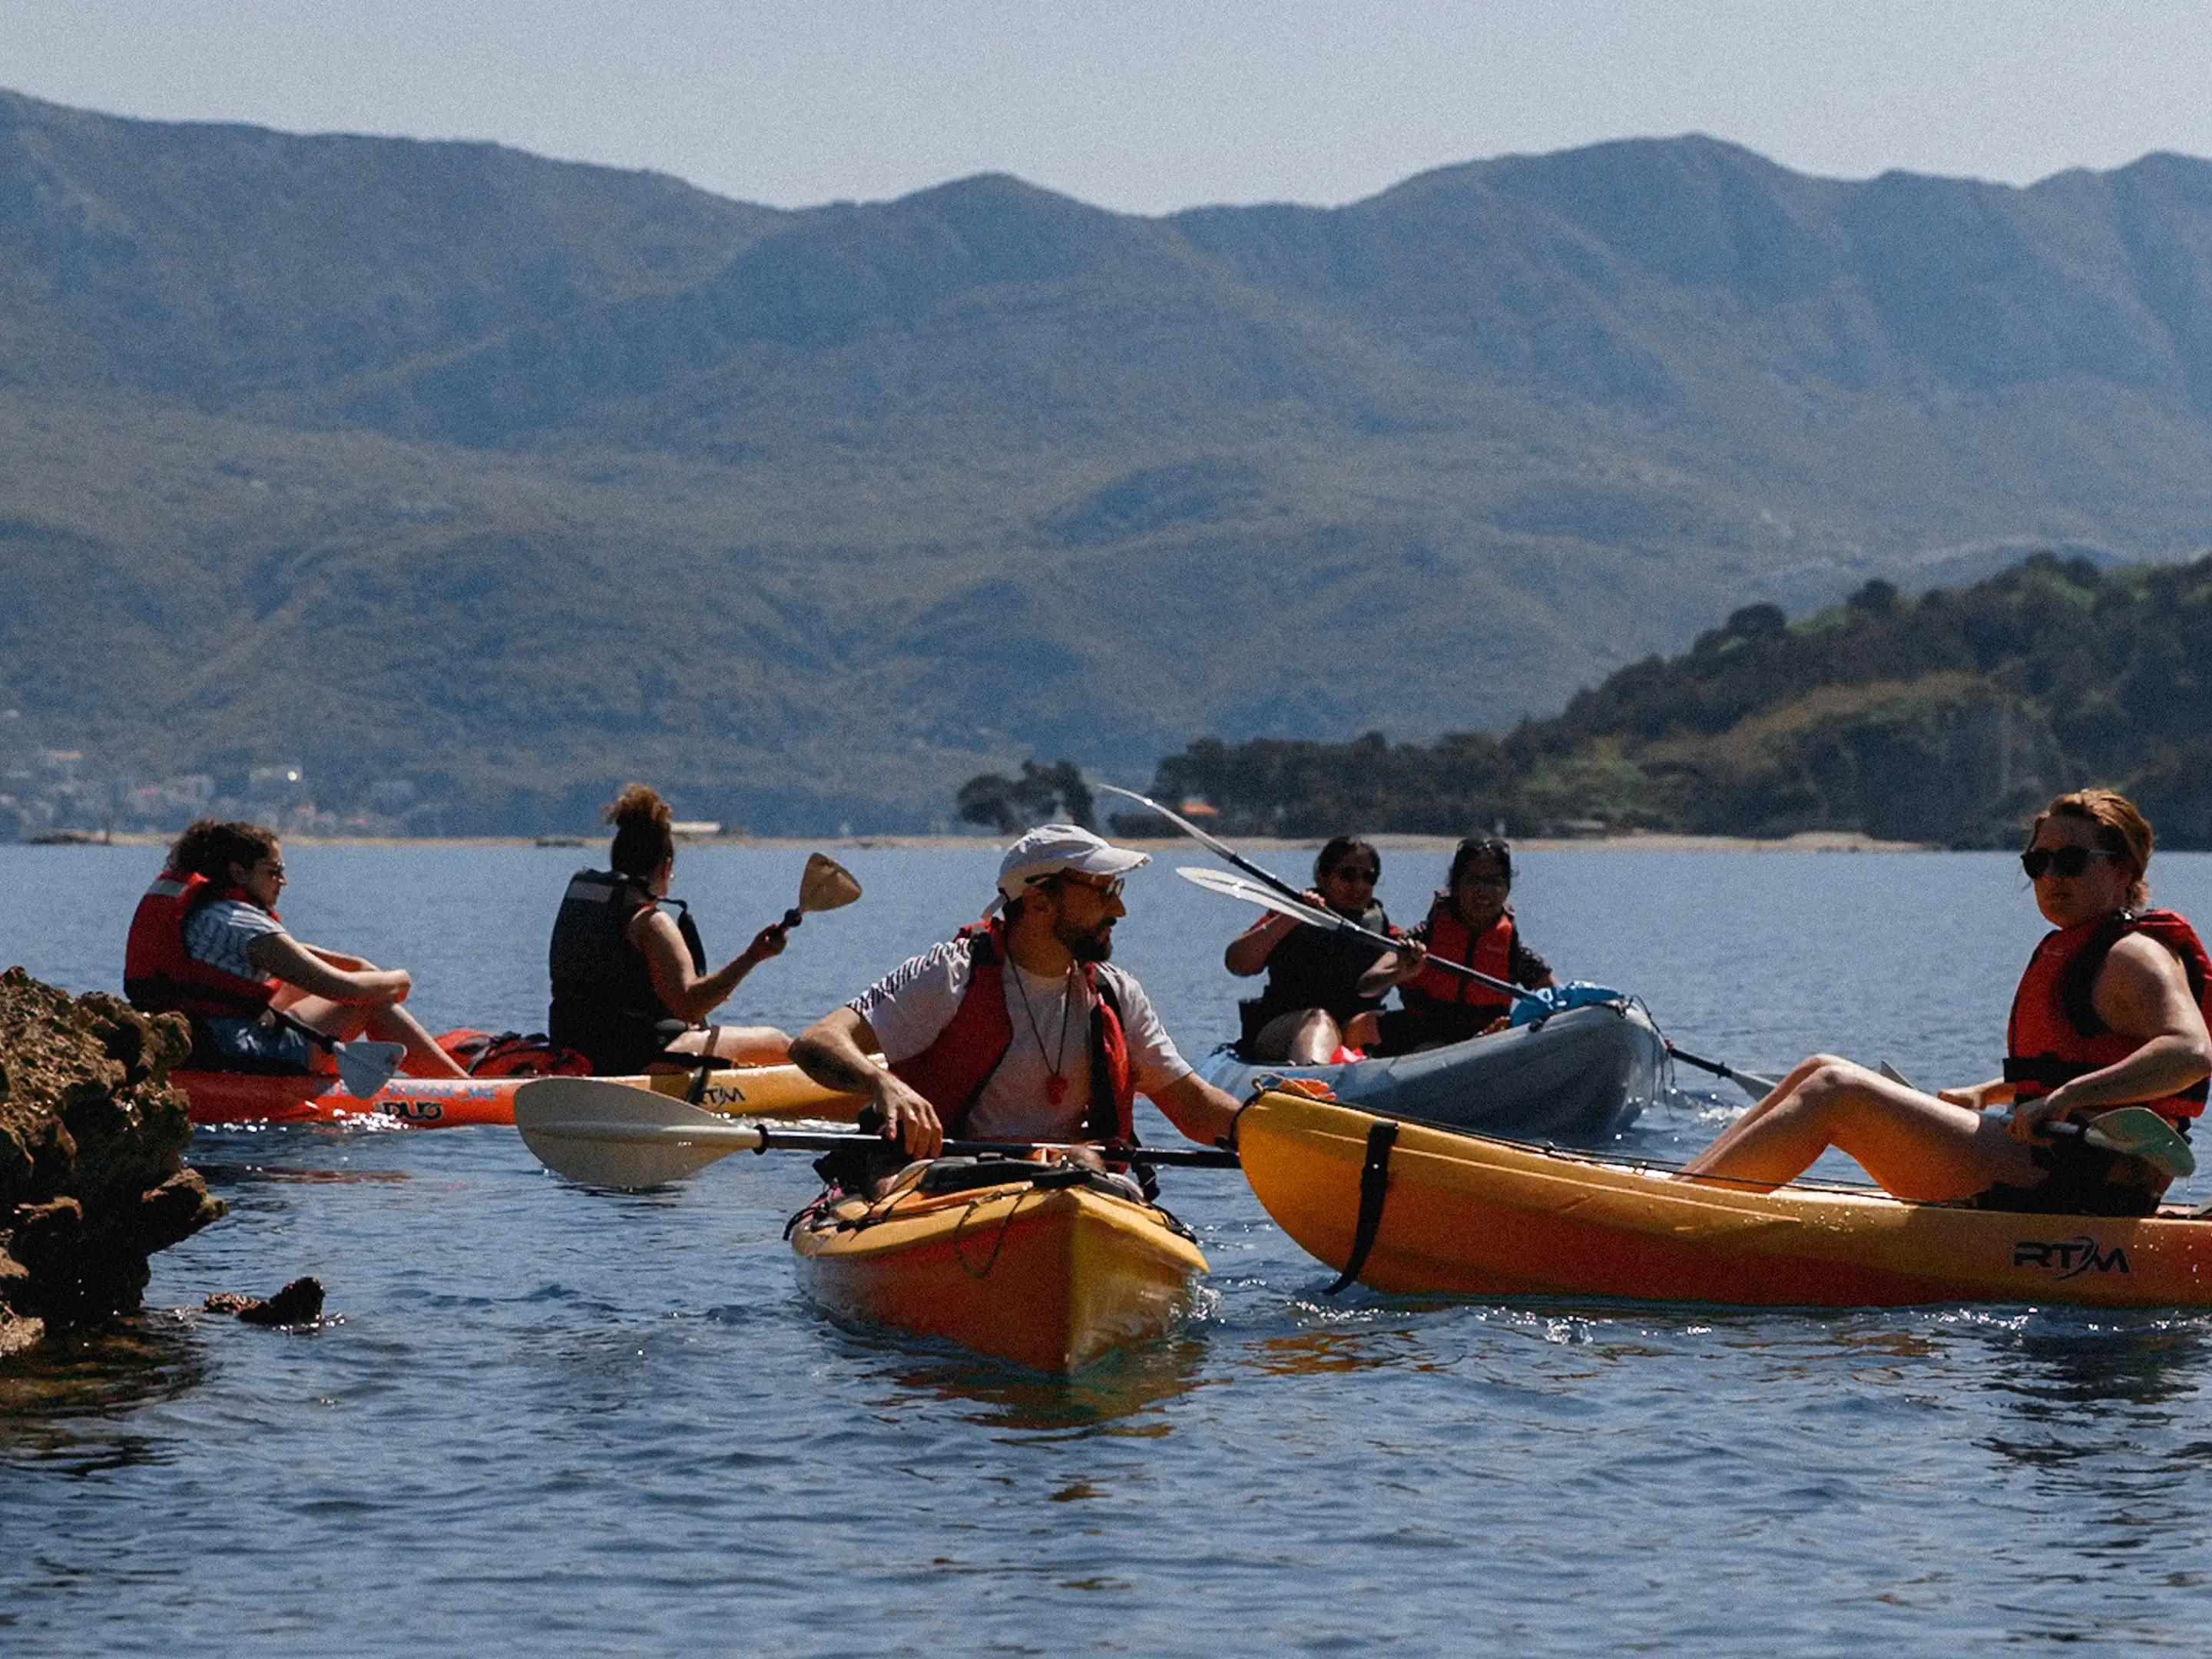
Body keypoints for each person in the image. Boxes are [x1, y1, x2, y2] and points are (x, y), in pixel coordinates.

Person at [1682, 789, 2212, 1214]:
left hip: (2076, 1185)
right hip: (2047, 1161)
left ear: (2123, 872)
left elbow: (2190, 1052)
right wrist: (1989, 1092)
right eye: (2038, 862)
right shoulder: (2083, 948)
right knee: (1817, 1068)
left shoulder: (2134, 956)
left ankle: (1680, 1218)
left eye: (2071, 861)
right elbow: (2077, 1062)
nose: (2051, 878)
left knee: (1835, 1089)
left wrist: (2064, 1098)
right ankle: (1681, 1194)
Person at [788, 824, 1243, 1177]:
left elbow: (1194, 1106)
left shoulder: (1117, 994)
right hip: (950, 1179)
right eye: (1104, 891)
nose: (1119, 909)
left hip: (1075, 1186)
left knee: (1085, 1166)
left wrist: (1261, 1120)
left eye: (1117, 891)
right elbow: (816, 1043)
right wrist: (881, 1083)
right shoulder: (950, 974)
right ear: (1041, 902)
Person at [124, 818, 469, 1077]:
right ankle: (462, 1089)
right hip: (237, 1051)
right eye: (274, 871)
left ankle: (435, 1072)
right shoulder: (243, 922)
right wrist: (399, 980)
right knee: (371, 1002)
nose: (283, 881)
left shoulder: (207, 913)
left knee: (308, 986)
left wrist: (361, 967)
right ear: (239, 873)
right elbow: (342, 987)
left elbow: (298, 960)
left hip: (209, 1038)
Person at [547, 785, 793, 1076]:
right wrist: (754, 956)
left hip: (574, 1046)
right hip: (638, 1058)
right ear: (665, 869)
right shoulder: (651, 923)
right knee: (778, 1042)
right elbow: (690, 1005)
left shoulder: (591, 908)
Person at [1363, 836, 1555, 1053]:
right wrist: (1400, 972)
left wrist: (1523, 1021)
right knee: (1365, 1023)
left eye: (1495, 882)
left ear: (1507, 889)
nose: (1484, 891)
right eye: (1473, 880)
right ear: (1456, 886)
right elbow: (1366, 986)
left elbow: (1559, 998)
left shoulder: (1514, 951)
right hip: (1420, 1041)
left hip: (1484, 1045)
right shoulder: (1422, 937)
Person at [1225, 836, 1401, 1062]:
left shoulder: (1384, 930)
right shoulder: (1288, 917)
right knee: (1319, 1021)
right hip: (1283, 1030)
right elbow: (1237, 963)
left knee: (1374, 1022)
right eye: (1348, 875)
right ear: (1322, 879)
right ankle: (1313, 1080)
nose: (1359, 886)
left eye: (1368, 877)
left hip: (1348, 1029)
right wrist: (1291, 916)